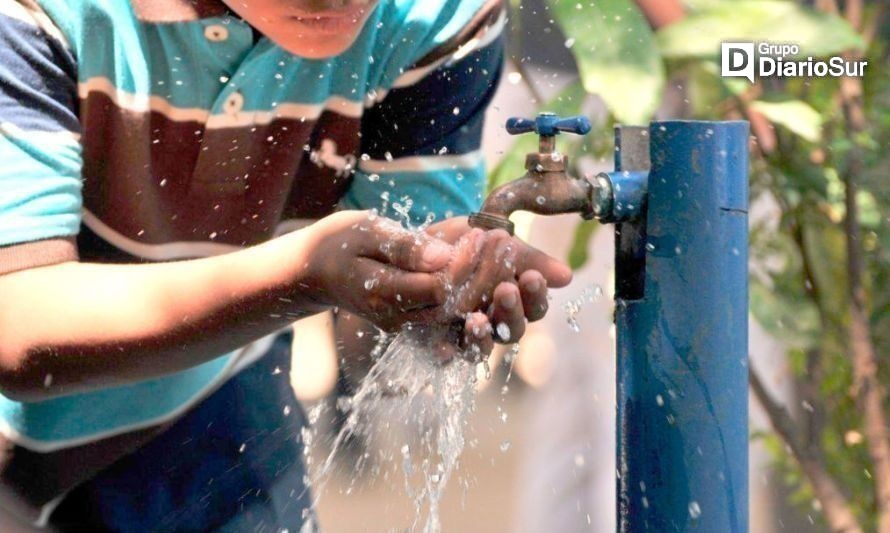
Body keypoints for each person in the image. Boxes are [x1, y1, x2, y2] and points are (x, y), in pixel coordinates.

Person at [0, 0, 572, 529]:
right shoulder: (43, 13)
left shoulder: (433, 15)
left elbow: (392, 289)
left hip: (207, 396)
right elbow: (15, 322)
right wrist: (298, 278)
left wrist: (439, 286)